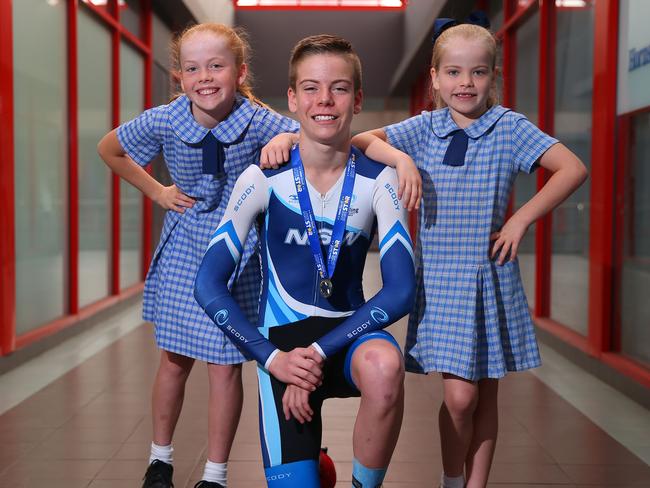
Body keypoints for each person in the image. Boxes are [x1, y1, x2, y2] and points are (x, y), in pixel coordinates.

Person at [350, 16, 588, 488]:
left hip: (490, 276)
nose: (466, 83)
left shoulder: (509, 127)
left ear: (493, 76)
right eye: (454, 72)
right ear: (435, 79)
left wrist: (521, 218)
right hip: (439, 280)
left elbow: (572, 168)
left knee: (485, 395)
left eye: (478, 72)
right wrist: (400, 159)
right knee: (460, 399)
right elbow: (361, 141)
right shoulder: (423, 128)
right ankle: (451, 477)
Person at [194, 34, 416, 488]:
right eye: (311, 88)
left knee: (386, 366)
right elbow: (207, 284)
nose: (325, 100)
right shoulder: (263, 177)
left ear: (357, 98)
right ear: (292, 99)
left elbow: (400, 290)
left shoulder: (380, 179)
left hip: (350, 340)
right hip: (282, 351)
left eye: (338, 87)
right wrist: (271, 358)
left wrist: (317, 351)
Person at [97, 23, 298, 488]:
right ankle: (159, 460)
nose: (204, 76)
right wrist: (157, 190)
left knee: (225, 367)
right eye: (192, 68)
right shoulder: (166, 119)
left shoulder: (258, 118)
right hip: (184, 249)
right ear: (180, 77)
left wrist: (285, 139)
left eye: (216, 65)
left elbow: (307, 133)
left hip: (237, 256)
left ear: (239, 71)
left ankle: (215, 474)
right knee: (173, 360)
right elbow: (110, 149)